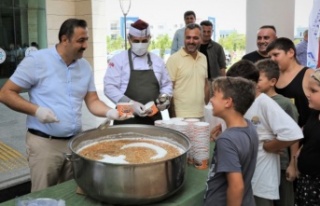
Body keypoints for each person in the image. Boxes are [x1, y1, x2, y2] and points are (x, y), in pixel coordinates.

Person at [0, 18, 130, 192]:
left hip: (75, 144)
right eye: (80, 40)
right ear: (64, 39)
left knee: (71, 193)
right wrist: (36, 110)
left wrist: (110, 112)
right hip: (45, 145)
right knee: (43, 196)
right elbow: (6, 93)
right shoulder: (37, 61)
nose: (85, 45)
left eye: (87, 40)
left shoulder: (85, 67)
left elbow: (92, 100)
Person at [227, 60, 303, 206]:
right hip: (247, 174)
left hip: (262, 177)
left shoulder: (264, 102)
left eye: (235, 85)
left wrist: (270, 146)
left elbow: (293, 133)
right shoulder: (242, 103)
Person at [104, 19, 173, 125]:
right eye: (136, 41)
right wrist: (130, 104)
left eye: (144, 41)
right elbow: (109, 87)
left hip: (153, 116)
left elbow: (167, 85)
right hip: (125, 116)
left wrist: (164, 99)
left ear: (150, 39)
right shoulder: (118, 60)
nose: (140, 44)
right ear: (129, 39)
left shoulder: (158, 61)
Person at [204, 76, 258, 206]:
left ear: (228, 102)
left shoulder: (227, 140)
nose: (210, 99)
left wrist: (224, 142)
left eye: (214, 95)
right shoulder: (249, 126)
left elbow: (236, 187)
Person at [256, 59, 300, 206]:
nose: (254, 83)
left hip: (281, 164)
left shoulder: (285, 103)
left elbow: (294, 136)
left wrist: (292, 165)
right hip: (262, 164)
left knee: (284, 200)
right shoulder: (253, 102)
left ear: (272, 81)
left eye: (258, 79)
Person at [267, 37, 314, 127]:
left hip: (304, 134)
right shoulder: (273, 77)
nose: (272, 59)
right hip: (280, 133)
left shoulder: (309, 74)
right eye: (270, 56)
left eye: (276, 55)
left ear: (291, 53)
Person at [166, 23, 209, 119]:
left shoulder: (203, 58)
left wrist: (206, 107)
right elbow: (168, 91)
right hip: (181, 116)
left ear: (201, 39)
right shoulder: (173, 59)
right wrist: (173, 117)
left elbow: (205, 84)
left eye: (195, 38)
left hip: (201, 114)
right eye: (188, 37)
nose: (191, 41)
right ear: (184, 39)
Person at [295, 69, 320, 206]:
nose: (308, 95)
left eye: (314, 91)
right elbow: (307, 142)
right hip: (306, 181)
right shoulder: (314, 114)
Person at [199, 20, 226, 97]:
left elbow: (222, 67)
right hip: (198, 82)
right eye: (204, 31)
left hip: (213, 82)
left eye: (209, 32)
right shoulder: (195, 48)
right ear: (200, 31)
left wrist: (223, 84)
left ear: (212, 31)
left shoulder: (218, 47)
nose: (206, 34)